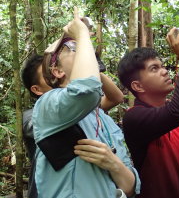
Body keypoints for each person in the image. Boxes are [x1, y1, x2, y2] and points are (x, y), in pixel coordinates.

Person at [30, 7, 140, 198]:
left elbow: (131, 186)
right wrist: (81, 33)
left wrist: (113, 163)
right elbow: (87, 88)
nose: (84, 49)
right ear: (57, 70)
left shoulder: (102, 119)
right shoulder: (48, 106)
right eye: (75, 47)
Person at [21, 51, 125, 197]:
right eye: (47, 75)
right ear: (37, 89)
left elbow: (116, 97)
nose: (58, 74)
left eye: (56, 70)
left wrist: (89, 68)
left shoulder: (81, 111)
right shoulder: (34, 115)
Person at [117, 28, 179, 198]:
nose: (164, 71)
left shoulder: (173, 114)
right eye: (154, 69)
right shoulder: (134, 117)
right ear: (138, 86)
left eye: (162, 66)